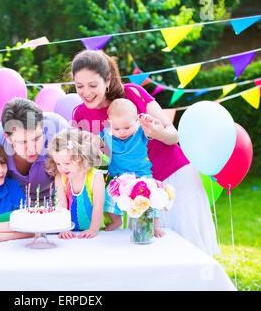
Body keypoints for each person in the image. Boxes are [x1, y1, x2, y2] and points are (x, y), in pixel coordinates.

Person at [71, 49, 220, 255]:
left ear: (107, 80)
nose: (86, 92)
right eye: (79, 86)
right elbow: (92, 165)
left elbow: (173, 135)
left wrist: (156, 132)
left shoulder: (133, 93)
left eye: (92, 85)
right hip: (136, 192)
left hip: (173, 176)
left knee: (189, 246)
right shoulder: (80, 114)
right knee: (149, 251)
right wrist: (89, 149)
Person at [101, 98, 164, 237]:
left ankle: (156, 225)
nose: (122, 132)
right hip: (118, 178)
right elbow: (98, 148)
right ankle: (116, 220)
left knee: (151, 198)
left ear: (137, 121)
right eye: (116, 128)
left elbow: (157, 128)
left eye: (127, 127)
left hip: (141, 175)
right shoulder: (106, 135)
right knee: (109, 199)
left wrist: (150, 121)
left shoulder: (142, 131)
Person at [0, 98, 70, 203]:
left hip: (58, 201)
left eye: (37, 138)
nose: (32, 150)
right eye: (23, 142)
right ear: (8, 138)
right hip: (13, 205)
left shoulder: (58, 130)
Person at [46, 128, 105, 239]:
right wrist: (63, 229)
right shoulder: (60, 178)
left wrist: (93, 229)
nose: (62, 168)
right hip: (71, 231)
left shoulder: (96, 176)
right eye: (58, 164)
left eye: (67, 163)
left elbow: (98, 206)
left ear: (80, 157)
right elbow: (61, 205)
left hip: (95, 231)